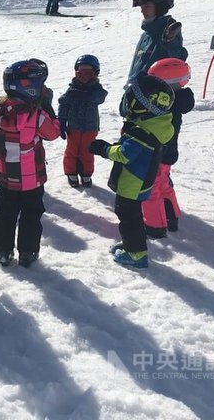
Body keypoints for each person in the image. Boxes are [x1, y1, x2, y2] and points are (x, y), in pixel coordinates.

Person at [89, 73, 175, 268]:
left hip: (132, 183)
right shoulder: (155, 125)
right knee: (133, 216)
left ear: (142, 106)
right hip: (142, 180)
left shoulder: (141, 133)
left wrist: (103, 149)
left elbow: (124, 154)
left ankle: (136, 253)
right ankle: (132, 244)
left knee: (128, 217)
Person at [0, 59, 60, 267]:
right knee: (31, 217)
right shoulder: (37, 115)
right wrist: (48, 107)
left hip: (7, 179)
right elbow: (54, 134)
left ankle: (3, 251)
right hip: (32, 180)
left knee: (5, 215)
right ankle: (28, 252)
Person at [142, 58, 195, 237]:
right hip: (167, 153)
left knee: (151, 188)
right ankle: (171, 217)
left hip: (158, 153)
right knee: (163, 184)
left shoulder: (166, 103)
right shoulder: (178, 99)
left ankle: (155, 226)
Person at [57, 54, 108, 188]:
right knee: (72, 150)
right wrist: (61, 122)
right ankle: (71, 172)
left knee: (87, 151)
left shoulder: (96, 89)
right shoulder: (72, 90)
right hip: (73, 127)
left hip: (90, 127)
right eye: (80, 74)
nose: (84, 77)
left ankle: (86, 174)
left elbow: (101, 97)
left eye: (88, 74)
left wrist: (87, 94)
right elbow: (63, 104)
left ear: (95, 74)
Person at [128, 0, 187, 79]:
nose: (142, 11)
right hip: (136, 89)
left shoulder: (168, 32)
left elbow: (177, 60)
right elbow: (136, 67)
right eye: (142, 7)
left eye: (147, 6)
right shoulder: (146, 34)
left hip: (154, 91)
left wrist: (170, 41)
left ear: (160, 7)